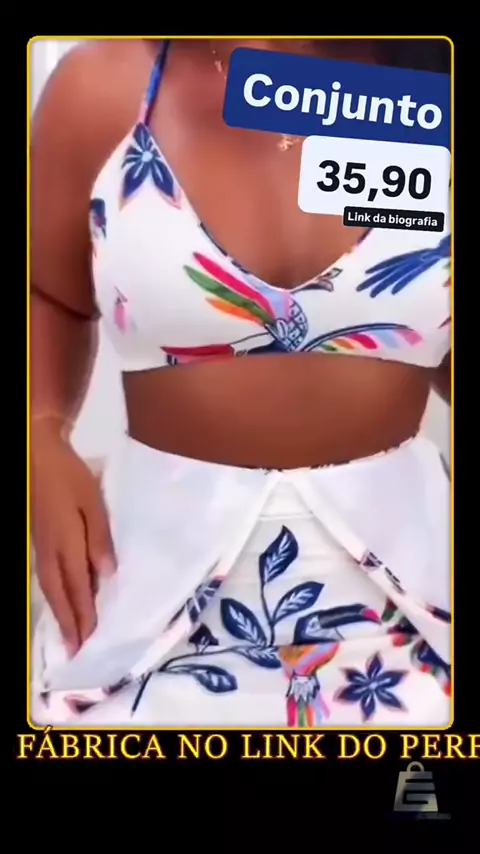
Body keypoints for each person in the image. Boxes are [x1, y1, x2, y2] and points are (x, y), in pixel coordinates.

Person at [30, 38, 451, 727]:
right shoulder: (103, 91)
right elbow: (50, 291)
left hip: (415, 618)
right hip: (140, 623)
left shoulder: (424, 89)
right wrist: (40, 430)